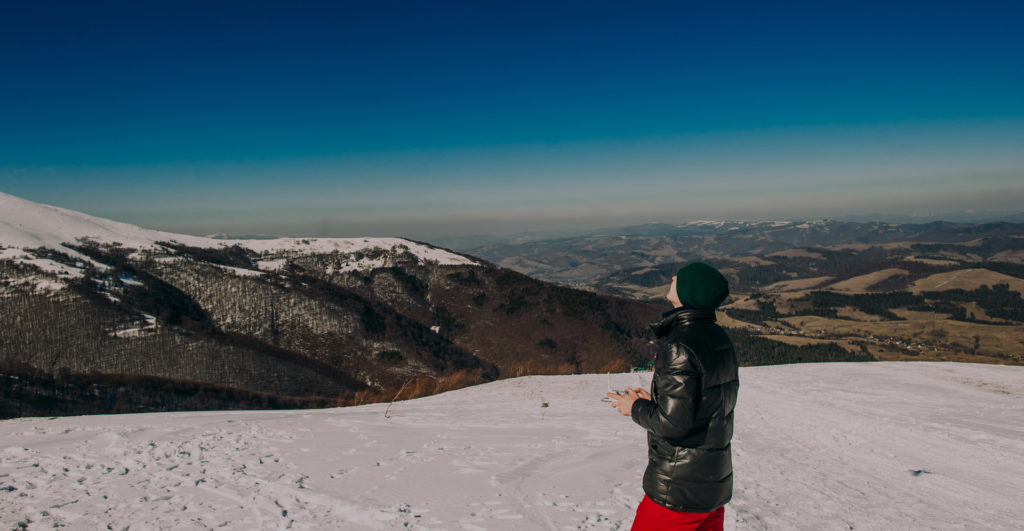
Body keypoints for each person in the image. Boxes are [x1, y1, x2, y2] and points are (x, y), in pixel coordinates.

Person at [608, 262, 738, 531]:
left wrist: (635, 407)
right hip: (713, 485)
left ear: (691, 291)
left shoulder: (679, 344)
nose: (674, 277)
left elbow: (673, 424)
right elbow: (702, 406)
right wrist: (656, 402)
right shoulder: (718, 336)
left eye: (680, 278)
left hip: (678, 491)